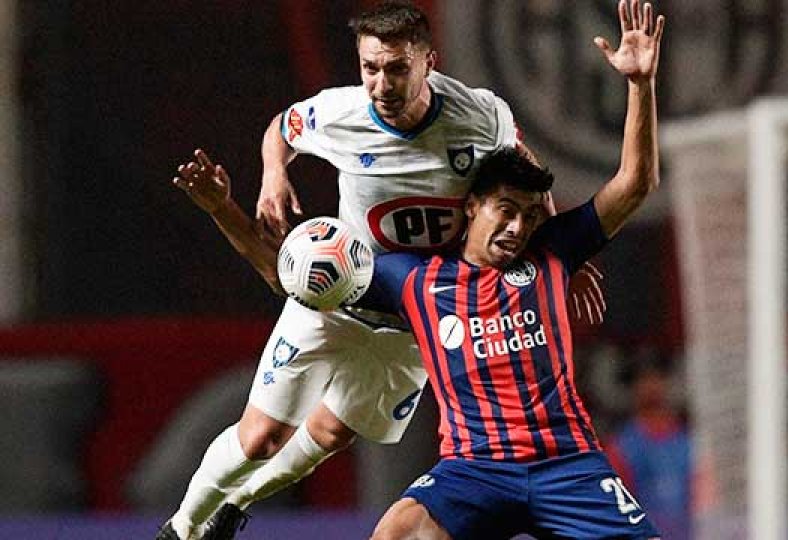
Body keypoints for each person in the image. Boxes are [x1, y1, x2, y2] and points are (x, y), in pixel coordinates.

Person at [158, 1, 602, 539]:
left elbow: (527, 174)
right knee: (261, 440)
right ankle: (181, 528)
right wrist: (274, 174)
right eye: (370, 68)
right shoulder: (341, 114)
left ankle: (236, 507)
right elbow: (283, 126)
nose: (382, 84)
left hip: (418, 317)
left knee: (329, 435)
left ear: (428, 63)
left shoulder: (479, 115)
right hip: (339, 288)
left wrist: (559, 256)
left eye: (396, 69)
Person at [359, 2, 666, 537]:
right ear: (472, 205)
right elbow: (303, 281)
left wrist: (640, 85)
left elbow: (634, 184)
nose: (519, 227)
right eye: (508, 210)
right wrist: (228, 215)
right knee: (394, 534)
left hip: (567, 464)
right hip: (474, 469)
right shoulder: (413, 277)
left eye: (529, 215)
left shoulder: (552, 250)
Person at [607, 361, 692, 540]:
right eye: (644, 380)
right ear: (635, 388)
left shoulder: (688, 443)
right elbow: (614, 505)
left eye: (657, 379)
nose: (651, 387)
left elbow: (705, 495)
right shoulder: (623, 447)